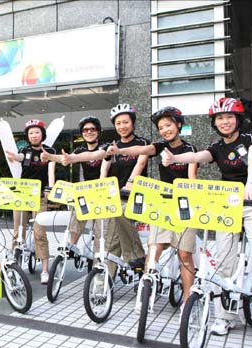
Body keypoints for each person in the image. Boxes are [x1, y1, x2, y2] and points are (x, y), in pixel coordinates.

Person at [161, 97, 252, 347]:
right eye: (219, 118)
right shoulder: (216, 146)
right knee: (224, 262)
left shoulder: (251, 138)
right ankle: (226, 316)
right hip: (228, 205)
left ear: (238, 119)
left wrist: (250, 184)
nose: (225, 122)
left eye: (229, 117)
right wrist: (175, 160)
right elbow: (199, 156)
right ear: (214, 123)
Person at [106, 106, 198, 304]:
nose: (165, 130)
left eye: (168, 125)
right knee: (153, 249)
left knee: (184, 254)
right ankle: (146, 289)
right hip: (163, 204)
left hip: (184, 206)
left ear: (178, 125)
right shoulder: (159, 147)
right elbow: (141, 150)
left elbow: (192, 177)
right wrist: (120, 150)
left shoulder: (190, 149)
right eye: (161, 127)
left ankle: (188, 302)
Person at [40, 116, 108, 269]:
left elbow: (91, 157)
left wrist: (71, 158)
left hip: (103, 193)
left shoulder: (106, 146)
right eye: (85, 130)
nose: (89, 132)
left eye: (92, 129)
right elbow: (66, 159)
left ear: (98, 131)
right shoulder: (80, 149)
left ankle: (99, 267)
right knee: (76, 214)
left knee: (101, 232)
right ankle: (71, 245)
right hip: (86, 192)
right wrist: (50, 156)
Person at [5, 119, 56, 284]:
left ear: (42, 134)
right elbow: (20, 157)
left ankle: (46, 270)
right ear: (28, 135)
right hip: (22, 194)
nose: (34, 135)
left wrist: (50, 188)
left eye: (37, 132)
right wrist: (14, 156)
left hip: (40, 195)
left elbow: (51, 170)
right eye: (31, 133)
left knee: (40, 232)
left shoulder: (49, 151)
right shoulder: (25, 150)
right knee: (18, 231)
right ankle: (14, 264)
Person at [101, 104, 148, 276]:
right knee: (112, 239)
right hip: (117, 195)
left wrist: (130, 183)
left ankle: (135, 256)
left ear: (133, 123)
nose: (122, 126)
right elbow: (104, 167)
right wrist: (100, 186)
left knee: (120, 212)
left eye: (125, 122)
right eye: (118, 123)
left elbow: (140, 163)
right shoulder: (112, 146)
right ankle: (106, 280)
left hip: (138, 195)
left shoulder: (142, 143)